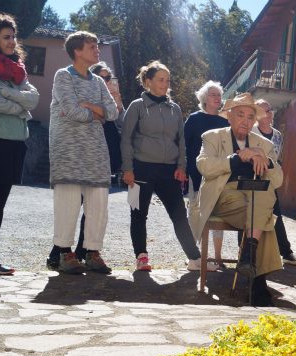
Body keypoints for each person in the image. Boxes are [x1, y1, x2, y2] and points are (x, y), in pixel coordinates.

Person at [189, 92, 283, 307]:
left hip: (254, 195)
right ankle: (258, 282)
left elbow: (277, 180)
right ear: (229, 116)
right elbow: (203, 166)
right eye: (240, 115)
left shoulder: (263, 144)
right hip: (225, 194)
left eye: (251, 117)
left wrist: (266, 162)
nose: (245, 121)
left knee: (264, 192)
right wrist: (234, 160)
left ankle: (250, 256)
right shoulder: (212, 136)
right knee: (264, 219)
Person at [47, 31, 118, 274]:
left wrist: (89, 106)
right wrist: (96, 113)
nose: (97, 50)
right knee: (67, 201)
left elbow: (113, 112)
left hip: (96, 151)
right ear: (77, 50)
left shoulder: (98, 82)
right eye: (92, 46)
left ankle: (92, 252)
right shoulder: (62, 76)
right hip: (67, 150)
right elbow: (71, 110)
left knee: (98, 202)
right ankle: (65, 253)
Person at [120, 60, 201, 271]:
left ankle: (194, 258)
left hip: (168, 171)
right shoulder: (136, 106)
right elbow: (126, 138)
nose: (165, 84)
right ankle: (141, 257)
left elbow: (181, 141)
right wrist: (127, 168)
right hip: (140, 169)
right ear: (148, 81)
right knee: (138, 214)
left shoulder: (174, 108)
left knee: (179, 215)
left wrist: (181, 167)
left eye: (167, 80)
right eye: (160, 79)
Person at [0, 12, 39, 275]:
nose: (11, 41)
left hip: (13, 143)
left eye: (13, 36)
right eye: (6, 37)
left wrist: (7, 92)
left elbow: (33, 99)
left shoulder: (17, 68)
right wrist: (17, 106)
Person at [183, 80, 228, 271]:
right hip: (195, 172)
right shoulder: (194, 119)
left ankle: (217, 256)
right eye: (213, 94)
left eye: (219, 95)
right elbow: (183, 145)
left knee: (216, 214)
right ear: (204, 98)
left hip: (218, 175)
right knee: (195, 212)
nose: (217, 98)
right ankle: (193, 256)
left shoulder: (225, 122)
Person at [251, 98, 296, 267]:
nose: (269, 113)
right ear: (258, 115)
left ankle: (285, 252)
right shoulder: (251, 132)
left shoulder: (278, 135)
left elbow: (279, 157)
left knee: (276, 215)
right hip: (253, 179)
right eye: (265, 110)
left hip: (270, 180)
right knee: (250, 215)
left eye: (270, 109)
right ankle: (246, 253)